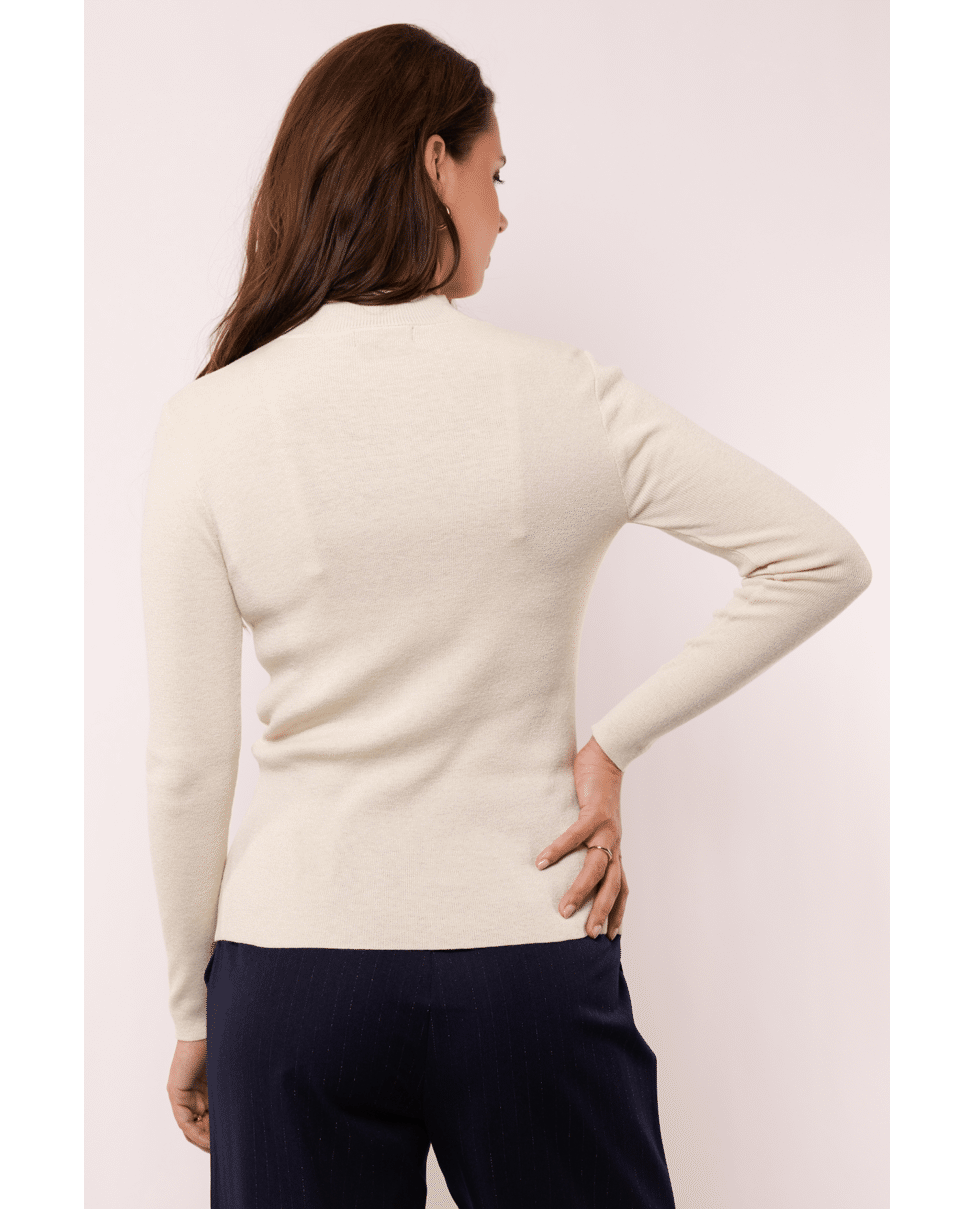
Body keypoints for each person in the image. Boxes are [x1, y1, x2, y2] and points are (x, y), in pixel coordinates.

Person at [140, 22, 872, 1209]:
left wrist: (193, 1006)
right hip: (525, 955)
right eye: (494, 174)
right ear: (433, 161)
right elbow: (819, 558)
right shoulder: (569, 397)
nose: (503, 213)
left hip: (291, 975)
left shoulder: (209, 422)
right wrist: (610, 747)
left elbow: (187, 763)